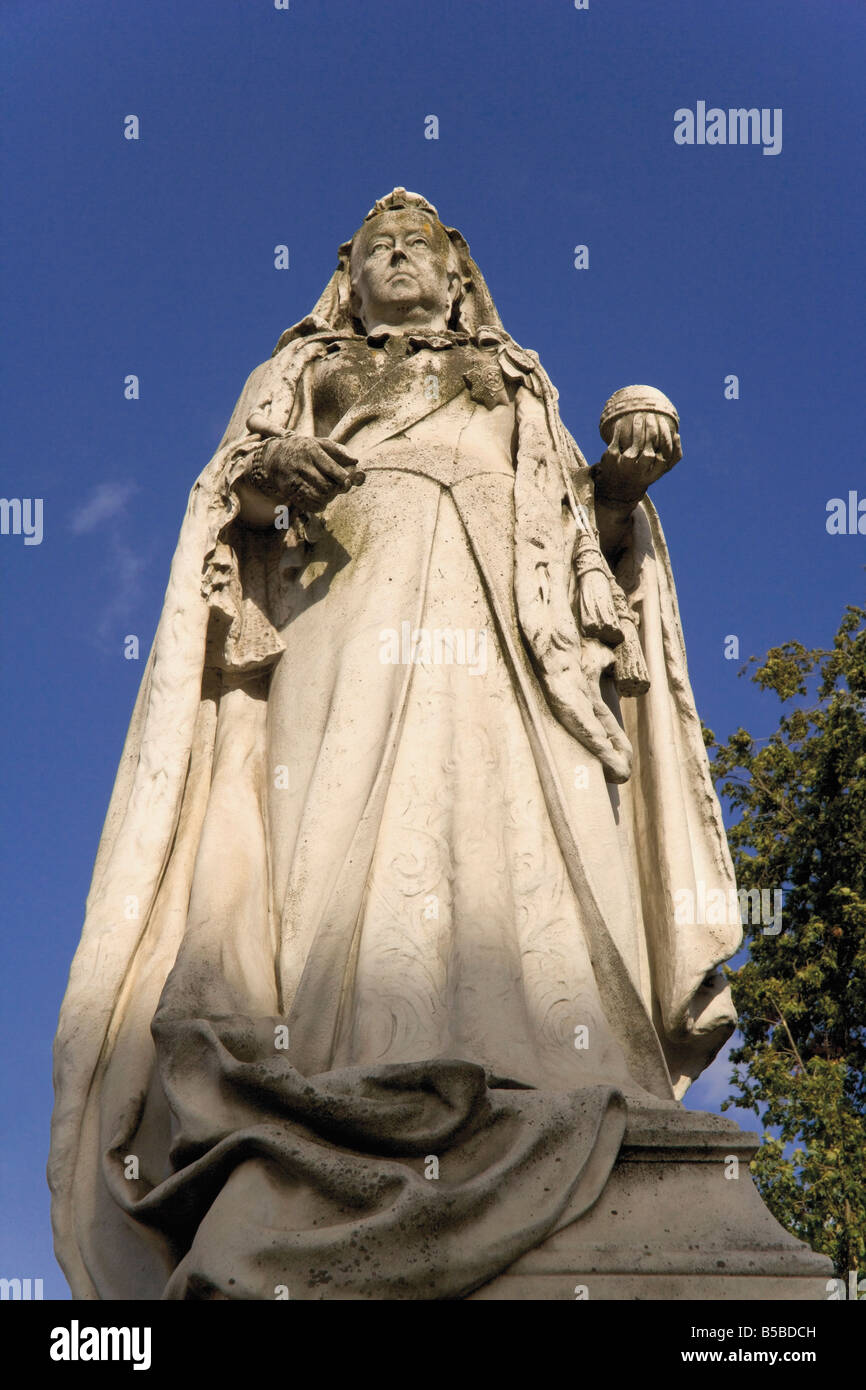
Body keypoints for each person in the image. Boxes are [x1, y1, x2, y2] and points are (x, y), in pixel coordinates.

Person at [50, 189, 741, 1300]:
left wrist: (622, 475)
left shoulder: (516, 385)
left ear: (459, 278)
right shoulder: (305, 375)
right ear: (346, 276)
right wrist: (265, 484)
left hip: (503, 633)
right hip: (342, 603)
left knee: (521, 833)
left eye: (419, 248)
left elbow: (583, 544)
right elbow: (226, 511)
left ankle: (535, 1069)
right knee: (326, 841)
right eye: (379, 250)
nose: (400, 260)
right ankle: (344, 1077)